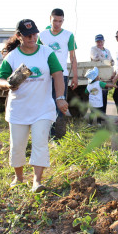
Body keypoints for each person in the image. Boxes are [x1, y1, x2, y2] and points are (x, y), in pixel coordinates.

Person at [0, 19, 68, 193]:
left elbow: (58, 75)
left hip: (42, 108)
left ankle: (37, 181)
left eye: (34, 34)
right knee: (17, 145)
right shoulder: (12, 57)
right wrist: (8, 84)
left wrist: (60, 97)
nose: (32, 37)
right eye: (28, 35)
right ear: (19, 36)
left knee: (40, 142)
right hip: (18, 109)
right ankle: (18, 178)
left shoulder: (47, 53)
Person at [37, 8, 78, 138]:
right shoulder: (42, 35)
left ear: (63, 21)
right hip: (45, 76)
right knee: (44, 104)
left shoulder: (68, 35)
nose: (57, 24)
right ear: (50, 19)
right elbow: (37, 54)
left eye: (60, 21)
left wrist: (75, 76)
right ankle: (43, 133)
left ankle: (57, 136)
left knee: (59, 104)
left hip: (62, 76)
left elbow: (72, 57)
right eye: (55, 21)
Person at [90, 34, 114, 114]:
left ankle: (103, 115)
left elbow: (111, 60)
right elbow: (95, 58)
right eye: (98, 41)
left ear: (103, 41)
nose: (99, 43)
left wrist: (110, 61)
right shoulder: (93, 49)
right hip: (97, 76)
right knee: (95, 96)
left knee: (104, 95)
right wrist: (106, 60)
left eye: (101, 41)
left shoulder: (107, 51)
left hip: (106, 76)